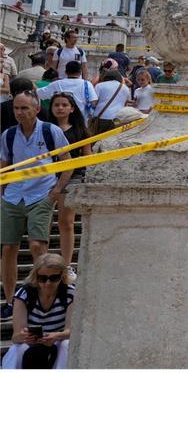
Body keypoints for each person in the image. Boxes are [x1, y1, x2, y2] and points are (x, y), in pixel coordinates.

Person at [1, 92, 73, 321]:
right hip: (13, 194)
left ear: (36, 109)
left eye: (24, 108)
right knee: (7, 248)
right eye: (16, 108)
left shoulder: (51, 131)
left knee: (37, 245)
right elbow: (5, 163)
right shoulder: (9, 134)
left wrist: (56, 190)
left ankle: (43, 296)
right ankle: (10, 300)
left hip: (41, 193)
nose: (19, 113)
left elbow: (68, 161)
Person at [1, 253, 74, 369]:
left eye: (54, 278)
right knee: (17, 349)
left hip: (58, 340)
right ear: (36, 276)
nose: (48, 283)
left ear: (62, 276)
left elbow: (71, 332)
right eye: (42, 278)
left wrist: (55, 336)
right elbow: (15, 337)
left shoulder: (70, 294)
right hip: (31, 343)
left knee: (66, 345)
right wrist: (24, 336)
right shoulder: (24, 294)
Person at [46, 93, 89, 279]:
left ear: (72, 108)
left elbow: (88, 155)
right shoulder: (45, 129)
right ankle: (44, 262)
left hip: (73, 177)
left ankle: (67, 264)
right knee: (44, 223)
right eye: (57, 105)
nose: (60, 108)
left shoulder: (80, 129)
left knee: (66, 222)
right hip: (46, 177)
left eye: (64, 105)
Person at [90, 68, 129, 134]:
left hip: (102, 118)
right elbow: (125, 103)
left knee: (99, 139)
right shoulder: (125, 88)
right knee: (113, 139)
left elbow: (94, 103)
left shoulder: (99, 86)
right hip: (118, 119)